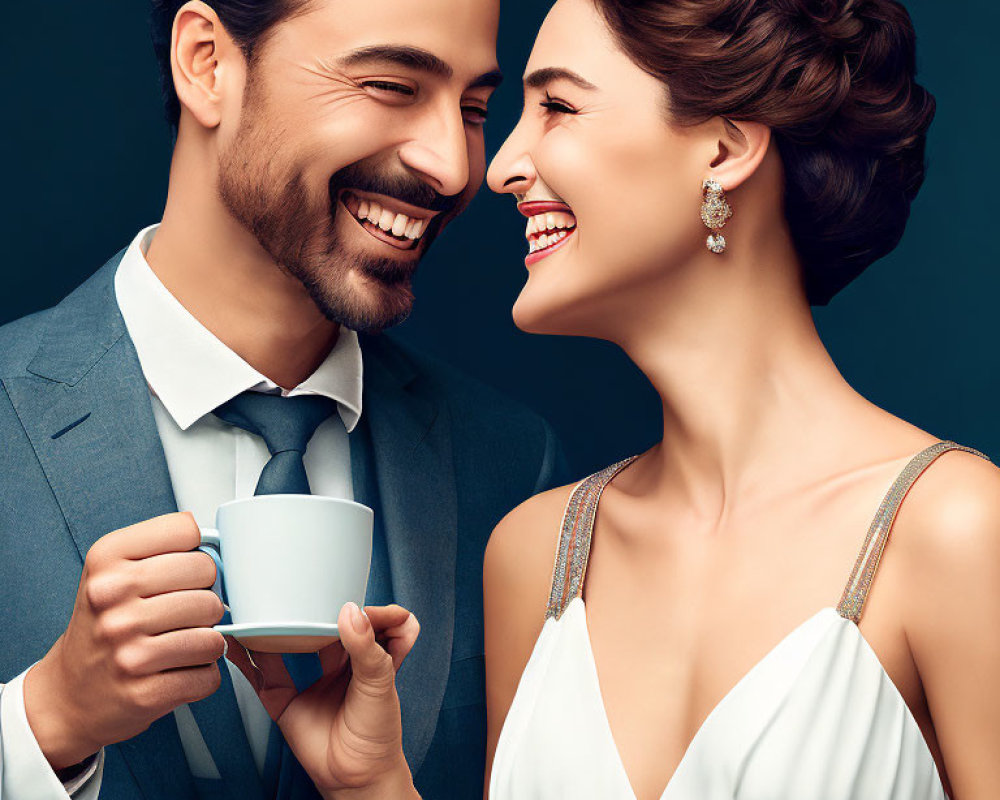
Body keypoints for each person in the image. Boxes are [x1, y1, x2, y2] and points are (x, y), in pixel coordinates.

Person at [225, 0, 1000, 798]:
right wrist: (372, 785)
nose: (495, 168)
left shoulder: (954, 532)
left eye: (558, 105)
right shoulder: (538, 555)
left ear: (726, 149)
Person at [0, 0, 567, 798]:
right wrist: (46, 719)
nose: (451, 165)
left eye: (473, 109)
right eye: (391, 85)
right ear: (207, 62)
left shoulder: (514, 467)